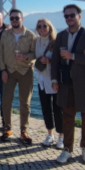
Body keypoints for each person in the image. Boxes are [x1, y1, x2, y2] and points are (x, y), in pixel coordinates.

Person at [51, 4, 85, 164]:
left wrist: (73, 56)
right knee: (67, 117)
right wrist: (54, 80)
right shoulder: (60, 36)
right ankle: (67, 150)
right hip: (66, 82)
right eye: (66, 16)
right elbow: (55, 60)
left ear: (79, 16)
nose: (69, 18)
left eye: (72, 15)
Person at [0, 8, 36, 144]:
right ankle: (7, 128)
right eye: (12, 18)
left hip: (26, 72)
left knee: (25, 103)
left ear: (22, 19)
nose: (14, 20)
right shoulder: (5, 34)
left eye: (17, 18)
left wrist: (25, 57)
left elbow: (35, 54)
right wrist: (3, 70)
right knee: (6, 101)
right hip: (9, 71)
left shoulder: (31, 35)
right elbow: (0, 54)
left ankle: (24, 130)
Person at [34, 18, 64, 149]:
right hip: (41, 79)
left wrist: (50, 61)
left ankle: (61, 137)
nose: (42, 28)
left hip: (53, 79)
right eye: (39, 26)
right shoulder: (37, 41)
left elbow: (62, 61)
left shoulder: (56, 42)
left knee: (58, 110)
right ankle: (50, 134)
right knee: (46, 109)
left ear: (49, 27)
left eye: (44, 26)